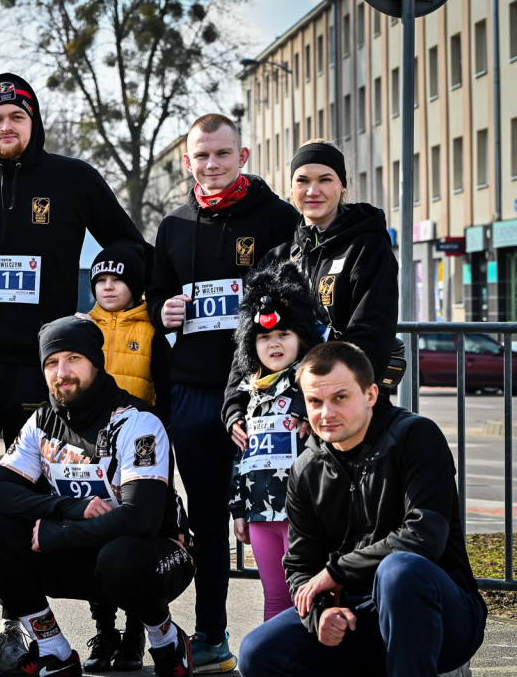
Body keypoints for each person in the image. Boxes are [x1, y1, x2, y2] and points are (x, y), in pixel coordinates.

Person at [0, 71, 150, 670]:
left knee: (75, 491)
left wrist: (109, 292)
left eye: (17, 118)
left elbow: (131, 245)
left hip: (48, 371)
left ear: (34, 123)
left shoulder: (72, 178)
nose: (6, 127)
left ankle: (91, 627)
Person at [145, 113, 298, 673]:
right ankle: (211, 634)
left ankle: (290, 628)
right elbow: (158, 293)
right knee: (208, 524)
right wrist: (164, 309)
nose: (211, 165)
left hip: (262, 398)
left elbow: (297, 309)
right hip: (192, 393)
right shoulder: (173, 226)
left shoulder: (279, 218)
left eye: (222, 155)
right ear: (188, 161)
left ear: (244, 156)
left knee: (282, 518)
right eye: (201, 156)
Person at [238, 341, 487, 677]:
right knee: (258, 652)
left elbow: (424, 536)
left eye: (340, 397)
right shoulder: (306, 469)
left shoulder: (415, 437)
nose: (326, 413)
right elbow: (300, 567)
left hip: (439, 614)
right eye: (314, 401)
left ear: (370, 395)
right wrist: (321, 616)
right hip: (358, 614)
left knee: (399, 571)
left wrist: (336, 572)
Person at [0, 316, 196, 677]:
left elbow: (141, 518)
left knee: (119, 558)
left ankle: (165, 638)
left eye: (73, 358)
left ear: (96, 362)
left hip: (155, 555)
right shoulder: (41, 422)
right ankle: (53, 649)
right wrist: (66, 507)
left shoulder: (138, 420)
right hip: (81, 553)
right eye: (51, 363)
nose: (62, 372)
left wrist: (59, 533)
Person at [81, 241, 171, 671]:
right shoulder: (82, 327)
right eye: (100, 279)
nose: (108, 286)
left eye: (117, 279)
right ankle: (104, 631)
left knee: (134, 537)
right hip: (94, 448)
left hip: (141, 450)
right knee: (99, 529)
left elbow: (164, 384)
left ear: (135, 285)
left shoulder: (152, 327)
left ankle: (136, 634)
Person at [221, 261, 320, 622]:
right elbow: (241, 458)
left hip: (301, 513)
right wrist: (238, 511)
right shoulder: (248, 392)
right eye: (264, 338)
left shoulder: (310, 384)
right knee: (274, 596)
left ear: (301, 338)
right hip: (260, 513)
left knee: (306, 596)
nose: (274, 343)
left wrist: (309, 411)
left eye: (283, 334)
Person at [262, 139, 399, 386]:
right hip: (283, 405)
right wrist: (235, 402)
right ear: (291, 188)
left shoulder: (368, 248)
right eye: (302, 180)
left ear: (342, 186)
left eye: (325, 180)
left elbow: (370, 335)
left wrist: (322, 395)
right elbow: (251, 340)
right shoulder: (277, 258)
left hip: (343, 400)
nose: (313, 191)